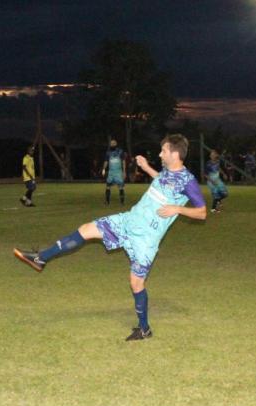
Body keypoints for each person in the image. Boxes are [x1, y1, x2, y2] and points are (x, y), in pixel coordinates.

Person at [13, 134, 207, 341]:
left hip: (146, 239)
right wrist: (147, 168)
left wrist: (177, 208)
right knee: (86, 229)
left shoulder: (189, 181)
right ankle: (41, 258)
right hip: (128, 222)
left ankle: (144, 329)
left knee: (136, 283)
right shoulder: (168, 172)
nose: (160, 154)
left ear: (175, 154)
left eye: (164, 151)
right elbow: (163, 182)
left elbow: (202, 212)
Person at [102, 139, 126, 205]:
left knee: (121, 186)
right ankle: (107, 201)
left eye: (113, 143)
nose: (112, 144)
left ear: (116, 144)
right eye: (111, 143)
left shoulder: (120, 151)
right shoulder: (108, 152)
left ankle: (122, 202)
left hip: (118, 172)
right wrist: (103, 169)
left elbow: (123, 162)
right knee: (108, 186)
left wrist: (124, 171)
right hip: (111, 172)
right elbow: (106, 161)